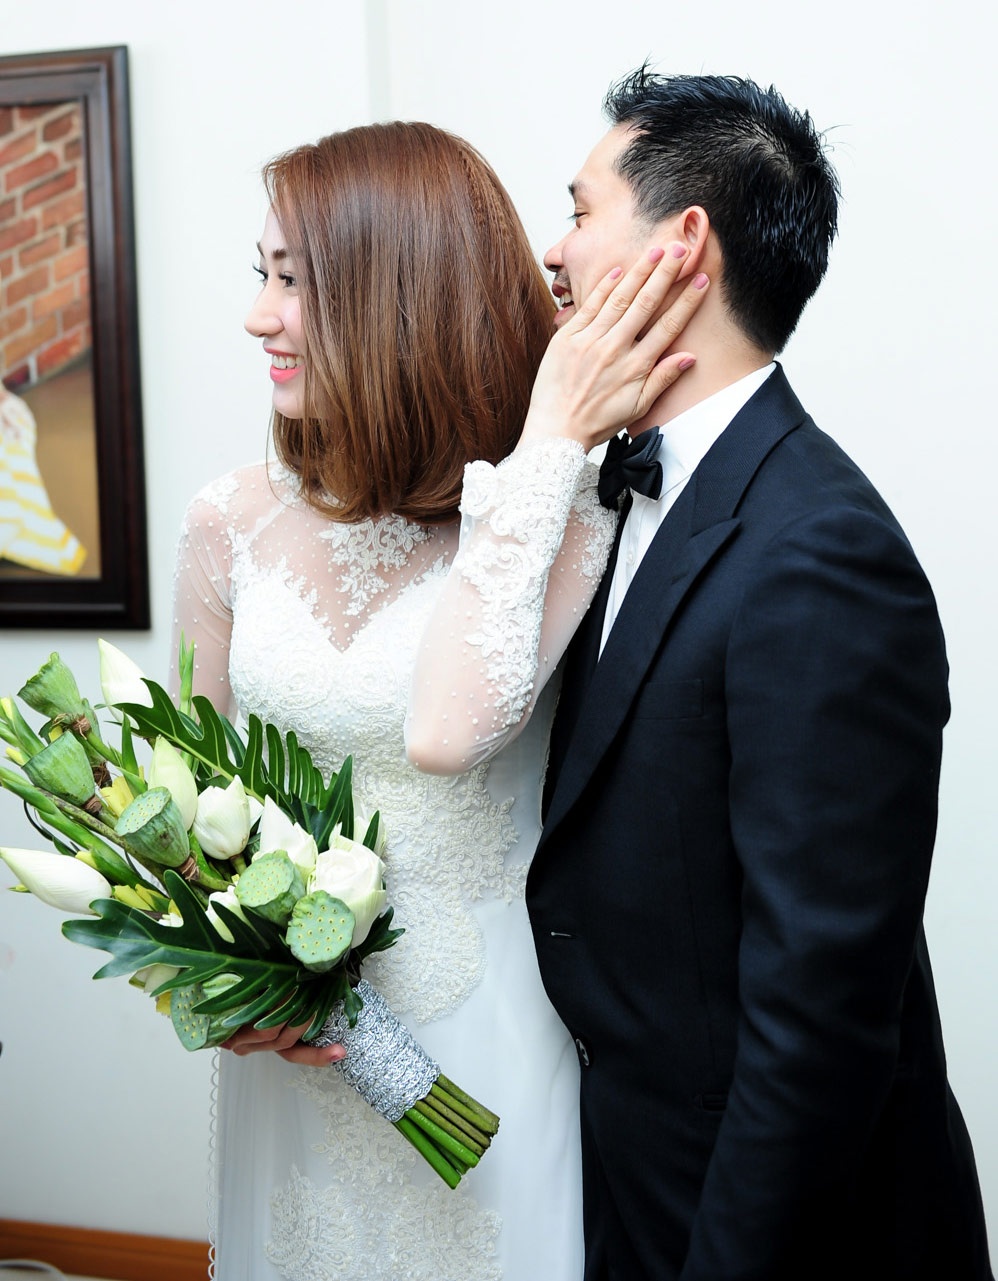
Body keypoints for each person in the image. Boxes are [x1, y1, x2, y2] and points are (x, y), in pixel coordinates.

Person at [410, 69, 994, 1280]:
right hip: (622, 1168)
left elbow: (819, 1016)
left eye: (577, 210)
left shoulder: (820, 550)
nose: (552, 251)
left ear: (682, 245)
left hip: (760, 1218)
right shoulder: (608, 481)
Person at [172, 120, 704, 1281]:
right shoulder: (227, 521)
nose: (258, 317)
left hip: (488, 1030)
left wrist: (548, 445)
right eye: (260, 276)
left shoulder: (569, 514)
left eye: (291, 283)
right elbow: (189, 796)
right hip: (299, 1057)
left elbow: (451, 731)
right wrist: (231, 977)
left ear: (397, 297)